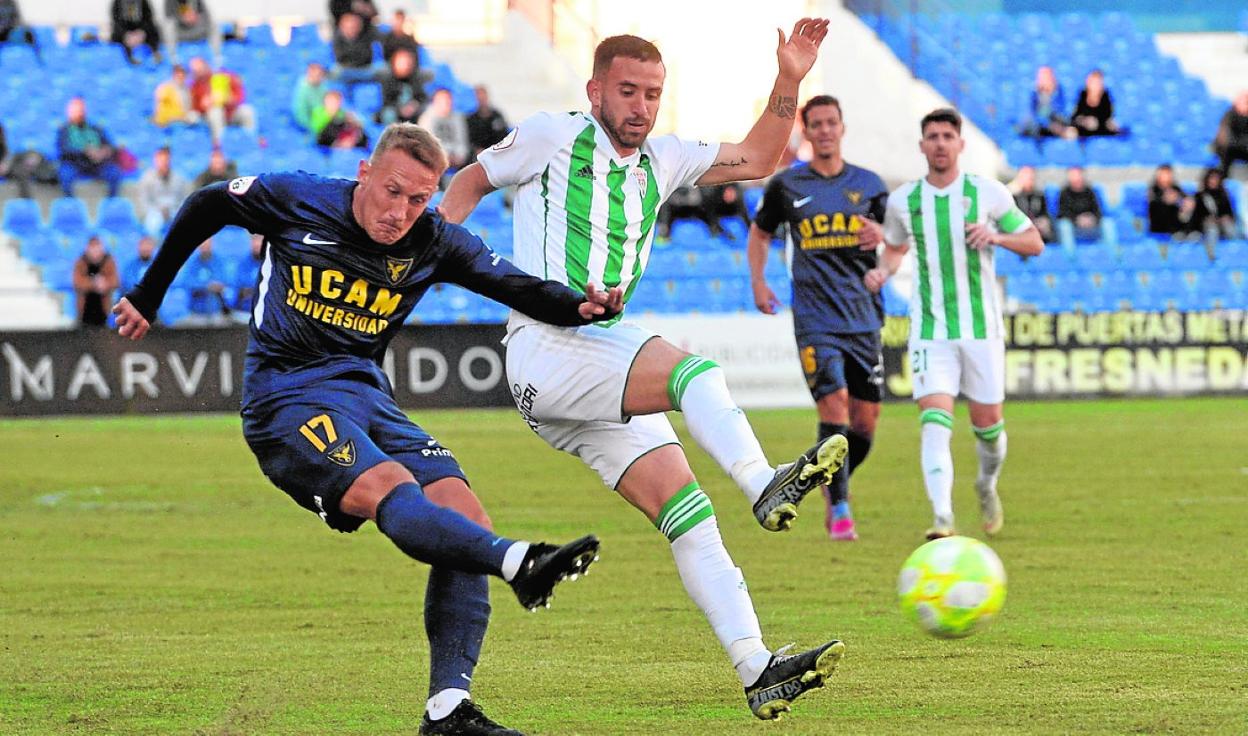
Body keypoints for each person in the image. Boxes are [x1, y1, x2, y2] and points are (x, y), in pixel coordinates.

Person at [113, 123, 618, 735]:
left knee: (464, 514)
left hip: (366, 397)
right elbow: (207, 204)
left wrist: (581, 306)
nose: (400, 212)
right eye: (392, 191)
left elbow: (515, 285)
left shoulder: (433, 240)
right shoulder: (298, 198)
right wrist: (149, 293)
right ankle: (519, 563)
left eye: (418, 199)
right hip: (285, 399)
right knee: (390, 485)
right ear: (364, 173)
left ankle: (448, 710)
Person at [441, 25, 850, 721]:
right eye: (628, 91)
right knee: (696, 374)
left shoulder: (666, 158)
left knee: (691, 517)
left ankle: (757, 668)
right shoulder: (552, 135)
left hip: (589, 365)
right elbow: (471, 179)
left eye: (653, 94)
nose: (641, 106)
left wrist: (789, 78)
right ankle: (762, 482)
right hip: (547, 344)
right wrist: (434, 248)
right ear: (595, 89)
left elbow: (758, 157)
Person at [868, 107, 1043, 539]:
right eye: (933, 136)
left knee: (989, 430)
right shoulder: (903, 201)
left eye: (948, 136)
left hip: (982, 329)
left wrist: (996, 236)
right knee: (934, 422)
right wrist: (882, 272)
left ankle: (986, 484)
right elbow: (895, 248)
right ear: (922, 145)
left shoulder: (988, 193)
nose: (941, 143)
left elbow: (1034, 242)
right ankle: (943, 517)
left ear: (960, 144)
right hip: (930, 331)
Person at [747, 94, 888, 542]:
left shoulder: (870, 185)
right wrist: (759, 282)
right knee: (835, 407)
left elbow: (898, 240)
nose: (825, 131)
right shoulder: (787, 186)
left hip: (863, 317)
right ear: (806, 132)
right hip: (814, 318)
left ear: (842, 127)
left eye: (831, 123)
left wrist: (885, 239)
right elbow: (760, 233)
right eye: (817, 124)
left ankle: (829, 481)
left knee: (865, 425)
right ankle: (841, 510)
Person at [56, 97, 125, 197]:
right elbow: (63, 150)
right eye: (74, 110)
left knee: (114, 172)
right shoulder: (64, 130)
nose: (78, 113)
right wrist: (85, 151)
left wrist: (105, 151)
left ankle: (111, 200)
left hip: (97, 164)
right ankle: (70, 200)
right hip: (75, 164)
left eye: (80, 110)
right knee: (65, 174)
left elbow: (109, 145)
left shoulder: (95, 129)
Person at [189, 56, 257, 144]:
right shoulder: (194, 86)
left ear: (205, 66)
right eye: (195, 71)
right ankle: (219, 144)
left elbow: (239, 97)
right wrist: (203, 106)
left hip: (230, 112)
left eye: (199, 69)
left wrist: (228, 99)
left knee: (247, 110)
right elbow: (194, 108)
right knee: (215, 112)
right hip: (210, 117)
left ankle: (250, 141)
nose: (198, 72)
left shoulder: (225, 77)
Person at [136, 146, 192, 235]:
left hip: (175, 211)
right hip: (155, 213)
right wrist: (157, 211)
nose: (164, 162)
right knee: (152, 224)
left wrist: (175, 210)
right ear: (155, 160)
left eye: (166, 159)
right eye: (161, 160)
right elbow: (143, 201)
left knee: (186, 224)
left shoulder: (180, 178)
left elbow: (185, 199)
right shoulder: (146, 178)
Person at [331, 11, 382, 105]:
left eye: (354, 26)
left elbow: (366, 56)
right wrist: (354, 58)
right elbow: (340, 58)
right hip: (347, 71)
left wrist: (352, 57)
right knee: (335, 71)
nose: (352, 29)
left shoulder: (366, 36)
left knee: (383, 70)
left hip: (365, 70)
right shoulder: (337, 39)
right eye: (349, 26)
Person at [1191, 167, 1240, 260]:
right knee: (1212, 228)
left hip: (1222, 224)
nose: (1213, 181)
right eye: (1211, 178)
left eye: (1216, 178)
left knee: (1229, 226)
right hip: (1206, 226)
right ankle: (1211, 256)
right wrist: (1207, 219)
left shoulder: (1224, 195)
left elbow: (1230, 213)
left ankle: (1237, 254)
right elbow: (1196, 217)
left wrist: (1225, 218)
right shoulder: (1200, 196)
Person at [1057, 166, 1112, 248]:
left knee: (1107, 223)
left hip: (1091, 224)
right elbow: (1062, 213)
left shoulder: (1090, 191)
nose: (1076, 178)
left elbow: (1097, 210)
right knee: (1064, 226)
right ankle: (1070, 253)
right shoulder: (1064, 193)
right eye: (1073, 175)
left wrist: (1092, 218)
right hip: (1073, 225)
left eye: (1078, 175)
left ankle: (1112, 250)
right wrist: (1077, 220)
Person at [74, 235, 120, 327]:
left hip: (104, 308)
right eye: (92, 247)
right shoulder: (81, 262)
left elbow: (115, 281)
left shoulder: (109, 261)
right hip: (85, 309)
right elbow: (77, 282)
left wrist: (105, 284)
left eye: (97, 247)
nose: (95, 250)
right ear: (87, 248)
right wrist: (94, 283)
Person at [417, 88, 469, 170]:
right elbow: (428, 144)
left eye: (448, 100)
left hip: (455, 158)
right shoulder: (426, 118)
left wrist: (459, 156)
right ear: (435, 101)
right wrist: (444, 156)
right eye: (443, 100)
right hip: (435, 159)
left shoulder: (458, 117)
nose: (446, 103)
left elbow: (462, 141)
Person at [1019, 65, 1072, 140]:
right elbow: (1030, 113)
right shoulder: (1033, 93)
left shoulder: (1060, 92)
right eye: (1041, 77)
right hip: (1039, 125)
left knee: (1070, 132)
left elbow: (1062, 112)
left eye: (1047, 76)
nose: (1044, 79)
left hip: (1057, 124)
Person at [377, 48, 427, 126]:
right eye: (402, 63)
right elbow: (386, 101)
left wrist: (415, 105)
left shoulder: (415, 79)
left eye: (408, 63)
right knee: (388, 114)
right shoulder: (388, 79)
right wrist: (400, 109)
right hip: (395, 110)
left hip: (413, 111)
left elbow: (421, 97)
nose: (405, 66)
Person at [1009, 165, 1054, 243]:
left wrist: (1043, 221)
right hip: (1021, 227)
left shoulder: (1039, 195)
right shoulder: (1013, 195)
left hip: (1037, 226)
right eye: (1025, 175)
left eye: (1031, 176)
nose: (1029, 178)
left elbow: (1045, 214)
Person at [1146, 163, 1193, 237]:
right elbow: (1152, 203)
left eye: (1168, 174)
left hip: (1176, 225)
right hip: (1158, 225)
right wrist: (1165, 200)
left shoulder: (1176, 188)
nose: (1165, 177)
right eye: (1163, 174)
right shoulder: (1153, 189)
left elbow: (1185, 199)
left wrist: (1183, 202)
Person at [110, 0, 162, 64]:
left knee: (153, 30)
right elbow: (116, 21)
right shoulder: (117, 2)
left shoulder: (143, 2)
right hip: (125, 31)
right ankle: (129, 57)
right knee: (116, 36)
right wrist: (126, 34)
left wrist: (141, 32)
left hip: (140, 29)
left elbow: (148, 18)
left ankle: (155, 53)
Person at [1072, 69, 1120, 138]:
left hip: (1102, 130)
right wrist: (1085, 121)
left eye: (1098, 83)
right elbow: (1075, 118)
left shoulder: (1106, 97)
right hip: (1084, 132)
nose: (1095, 85)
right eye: (1093, 82)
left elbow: (1109, 118)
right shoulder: (1082, 95)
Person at [466, 85, 509, 161]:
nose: (481, 99)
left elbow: (504, 136)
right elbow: (469, 140)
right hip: (478, 155)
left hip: (496, 152)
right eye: (479, 96)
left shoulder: (497, 116)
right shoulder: (471, 119)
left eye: (483, 96)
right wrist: (477, 150)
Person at [1213, 90, 1248, 175]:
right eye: (1244, 101)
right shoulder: (1229, 115)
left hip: (1243, 148)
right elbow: (1224, 137)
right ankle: (1222, 177)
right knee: (1225, 152)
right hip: (1229, 148)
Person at [291, 62, 330, 133]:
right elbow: (301, 116)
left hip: (324, 120)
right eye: (318, 74)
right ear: (309, 73)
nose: (320, 77)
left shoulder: (323, 85)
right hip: (312, 126)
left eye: (321, 74)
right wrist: (316, 126)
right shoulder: (302, 90)